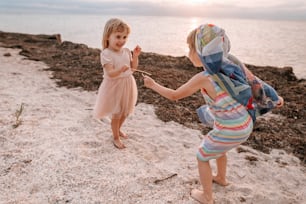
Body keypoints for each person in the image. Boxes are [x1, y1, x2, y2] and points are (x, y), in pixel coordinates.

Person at [143, 23, 283, 204]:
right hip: (244, 123)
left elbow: (175, 95)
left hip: (231, 128)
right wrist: (276, 98)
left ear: (202, 52)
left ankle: (207, 196)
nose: (188, 53)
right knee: (218, 149)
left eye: (190, 48)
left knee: (202, 155)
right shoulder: (231, 66)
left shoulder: (204, 78)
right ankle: (221, 178)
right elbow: (256, 81)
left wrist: (153, 85)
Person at [93, 18, 141, 149]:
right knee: (117, 113)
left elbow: (133, 68)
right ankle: (115, 137)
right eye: (118, 36)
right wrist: (119, 70)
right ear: (108, 36)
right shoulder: (106, 53)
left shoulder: (126, 51)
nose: (122, 40)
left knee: (125, 111)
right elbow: (110, 73)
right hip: (114, 86)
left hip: (128, 84)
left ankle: (118, 129)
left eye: (125, 37)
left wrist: (135, 56)